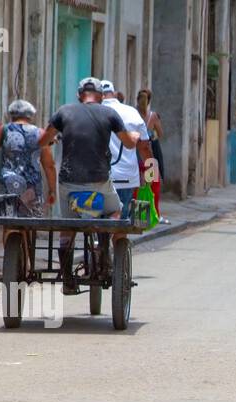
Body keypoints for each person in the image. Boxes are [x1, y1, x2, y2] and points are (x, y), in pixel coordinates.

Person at [38, 77, 140, 293]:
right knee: (116, 210)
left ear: (79, 95)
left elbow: (42, 140)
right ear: (102, 96)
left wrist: (52, 139)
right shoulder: (110, 113)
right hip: (99, 181)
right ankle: (103, 245)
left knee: (69, 227)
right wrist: (136, 135)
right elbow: (129, 143)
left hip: (68, 182)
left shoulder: (63, 112)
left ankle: (67, 278)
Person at [0, 99, 55, 217]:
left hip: (6, 185)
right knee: (31, 221)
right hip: (32, 187)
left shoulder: (3, 130)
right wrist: (52, 190)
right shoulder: (40, 133)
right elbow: (49, 165)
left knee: (6, 220)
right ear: (31, 115)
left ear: (11, 114)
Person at [99, 81, 153, 221]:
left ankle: (99, 240)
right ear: (115, 93)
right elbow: (144, 147)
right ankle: (118, 241)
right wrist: (151, 176)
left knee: (97, 219)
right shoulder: (131, 112)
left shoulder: (91, 112)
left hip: (96, 177)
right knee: (120, 221)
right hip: (125, 178)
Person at [136, 88, 166, 219]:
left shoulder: (132, 113)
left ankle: (138, 214)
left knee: (138, 188)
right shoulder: (153, 116)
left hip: (135, 156)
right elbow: (160, 134)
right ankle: (152, 214)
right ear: (149, 101)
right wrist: (151, 137)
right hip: (148, 157)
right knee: (152, 187)